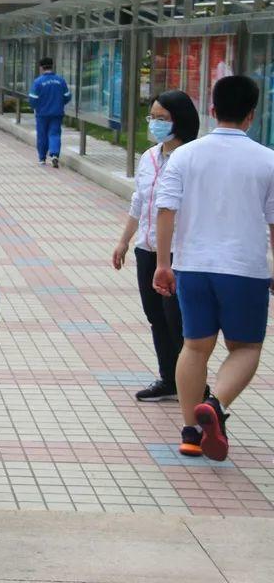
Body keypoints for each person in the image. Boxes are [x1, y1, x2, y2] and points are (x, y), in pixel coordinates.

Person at [153, 76, 274, 462]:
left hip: (193, 266)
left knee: (194, 346)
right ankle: (216, 405)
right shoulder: (267, 160)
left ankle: (190, 433)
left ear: (211, 109)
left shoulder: (184, 156)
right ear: (252, 115)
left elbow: (166, 209)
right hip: (245, 268)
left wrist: (162, 264)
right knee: (246, 348)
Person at [112, 91, 199, 402]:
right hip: (146, 249)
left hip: (179, 252)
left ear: (180, 120)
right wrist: (124, 240)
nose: (155, 124)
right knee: (156, 317)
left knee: (177, 320)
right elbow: (139, 201)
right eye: (152, 117)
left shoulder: (192, 159)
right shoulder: (148, 157)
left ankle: (195, 386)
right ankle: (169, 379)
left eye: (163, 119)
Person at [29, 57, 72, 168]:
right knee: (55, 134)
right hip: (57, 113)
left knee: (42, 135)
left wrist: (35, 107)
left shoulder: (38, 82)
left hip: (42, 114)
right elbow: (67, 96)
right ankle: (54, 155)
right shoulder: (60, 80)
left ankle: (42, 158)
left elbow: (33, 99)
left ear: (41, 67)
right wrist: (60, 103)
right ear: (52, 66)